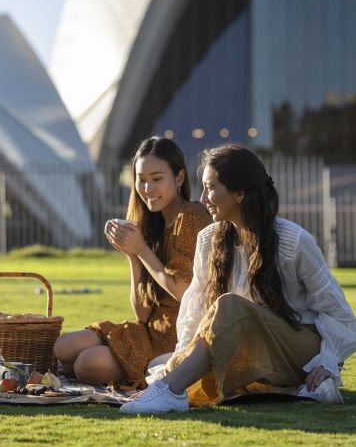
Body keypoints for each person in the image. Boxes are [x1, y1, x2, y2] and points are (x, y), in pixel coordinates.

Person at [120, 144, 356, 414]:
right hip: (249, 349)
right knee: (162, 364)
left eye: (210, 187)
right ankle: (174, 385)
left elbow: (339, 313)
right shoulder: (208, 240)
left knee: (230, 305)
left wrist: (327, 362)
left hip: (296, 348)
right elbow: (195, 310)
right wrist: (179, 361)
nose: (203, 197)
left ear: (239, 193)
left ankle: (170, 390)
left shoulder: (293, 241)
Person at [54, 136, 210, 389]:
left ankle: (141, 373)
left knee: (85, 365)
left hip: (177, 336)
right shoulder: (154, 225)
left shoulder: (191, 216)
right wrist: (133, 256)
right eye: (141, 179)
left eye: (157, 179)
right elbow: (143, 313)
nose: (147, 188)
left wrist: (141, 249)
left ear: (179, 177)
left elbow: (183, 290)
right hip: (149, 330)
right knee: (63, 347)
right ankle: (108, 366)